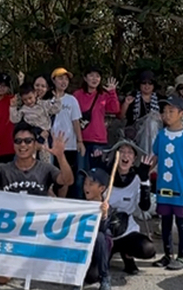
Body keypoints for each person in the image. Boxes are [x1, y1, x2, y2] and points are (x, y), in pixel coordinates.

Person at [0, 122, 75, 284]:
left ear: (35, 144)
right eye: (18, 141)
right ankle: (20, 260)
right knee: (2, 278)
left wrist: (61, 157)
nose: (23, 145)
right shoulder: (4, 169)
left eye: (28, 141)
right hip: (12, 233)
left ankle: (32, 259)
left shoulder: (45, 168)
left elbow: (67, 179)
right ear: (13, 145)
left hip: (39, 232)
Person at [149, 95, 183, 271]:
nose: (167, 115)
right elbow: (155, 157)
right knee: (165, 221)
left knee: (181, 221)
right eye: (164, 111)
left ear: (182, 113)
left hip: (182, 188)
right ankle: (167, 254)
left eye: (171, 111)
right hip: (164, 188)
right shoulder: (161, 136)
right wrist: (146, 171)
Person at [103, 140, 156, 274]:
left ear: (134, 159)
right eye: (121, 152)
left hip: (126, 230)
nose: (125, 156)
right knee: (93, 275)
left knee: (147, 249)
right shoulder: (104, 175)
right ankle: (105, 255)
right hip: (105, 230)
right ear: (115, 155)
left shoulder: (138, 178)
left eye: (129, 153)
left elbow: (144, 207)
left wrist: (145, 181)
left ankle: (127, 256)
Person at [73, 167, 115, 290]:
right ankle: (76, 277)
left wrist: (104, 215)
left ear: (101, 189)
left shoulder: (107, 208)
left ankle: (105, 277)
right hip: (83, 251)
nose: (86, 187)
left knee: (100, 236)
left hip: (98, 252)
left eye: (91, 184)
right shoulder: (79, 205)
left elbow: (105, 230)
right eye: (85, 183)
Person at [73, 67, 120, 171]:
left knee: (96, 174)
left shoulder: (103, 95)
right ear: (85, 78)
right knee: (81, 173)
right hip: (82, 139)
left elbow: (115, 109)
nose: (94, 79)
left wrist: (112, 92)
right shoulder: (77, 95)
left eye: (97, 76)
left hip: (99, 140)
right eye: (91, 75)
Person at [49, 67, 84, 199]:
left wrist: (80, 141)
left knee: (67, 175)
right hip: (51, 145)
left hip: (69, 145)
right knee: (53, 174)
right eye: (60, 78)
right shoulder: (48, 99)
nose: (63, 82)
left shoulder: (72, 100)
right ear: (53, 80)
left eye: (66, 79)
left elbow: (76, 121)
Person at [10, 82, 61, 159]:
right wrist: (13, 107)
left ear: (35, 94)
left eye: (30, 98)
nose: (29, 101)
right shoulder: (23, 109)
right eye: (25, 100)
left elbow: (55, 109)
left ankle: (46, 169)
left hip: (45, 133)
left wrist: (57, 99)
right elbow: (14, 119)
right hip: (32, 134)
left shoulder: (43, 104)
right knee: (30, 157)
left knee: (45, 157)